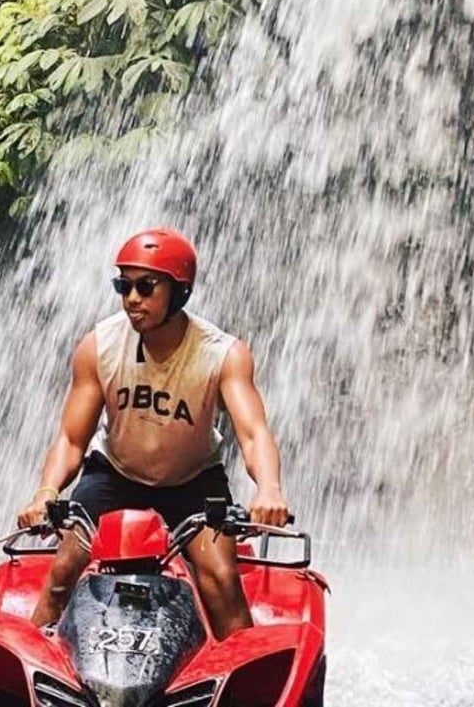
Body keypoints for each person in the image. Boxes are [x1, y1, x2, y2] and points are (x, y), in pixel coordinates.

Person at [17, 227, 290, 639]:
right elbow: (72, 439)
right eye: (123, 286)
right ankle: (31, 667)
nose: (132, 299)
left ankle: (242, 674)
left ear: (179, 292)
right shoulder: (99, 345)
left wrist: (268, 490)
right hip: (114, 475)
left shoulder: (223, 353)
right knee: (63, 571)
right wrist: (45, 493)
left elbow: (253, 433)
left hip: (192, 481)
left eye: (146, 287)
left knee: (220, 578)